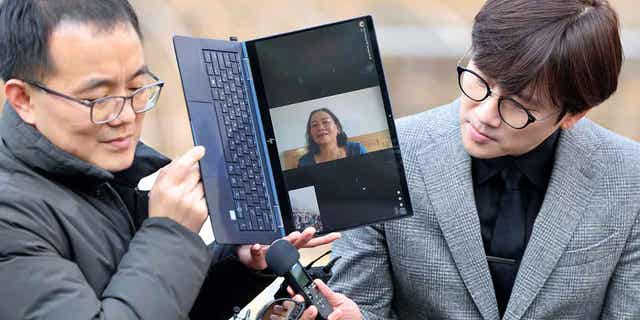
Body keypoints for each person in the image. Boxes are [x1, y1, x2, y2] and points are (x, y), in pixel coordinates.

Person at [0, 1, 340, 319]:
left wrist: (241, 268)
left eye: (136, 88)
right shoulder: (10, 219)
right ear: (23, 99)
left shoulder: (105, 172)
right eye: (97, 99)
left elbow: (163, 302)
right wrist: (172, 232)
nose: (126, 115)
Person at [328, 0, 640, 319]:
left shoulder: (630, 178)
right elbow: (360, 303)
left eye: (518, 105)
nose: (484, 114)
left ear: (574, 114)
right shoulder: (384, 156)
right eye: (482, 80)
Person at [298, 108, 366, 167]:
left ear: (338, 128)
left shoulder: (357, 149)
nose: (320, 128)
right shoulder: (304, 162)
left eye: (325, 122)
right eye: (314, 125)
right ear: (310, 134)